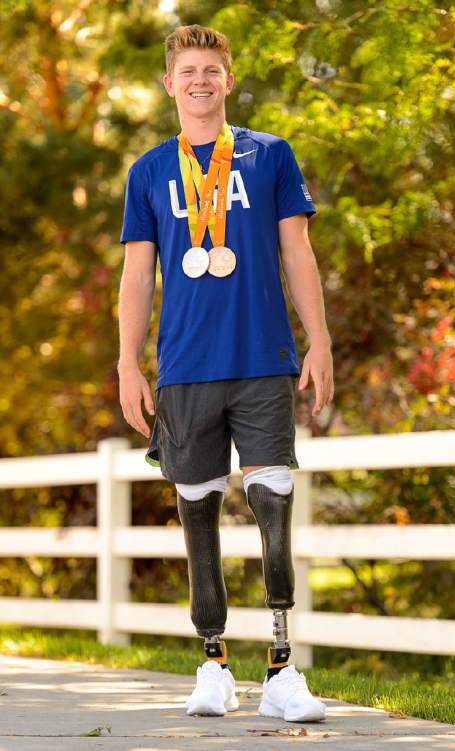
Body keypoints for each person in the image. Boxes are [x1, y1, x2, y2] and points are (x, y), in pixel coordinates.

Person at [117, 23, 334, 722]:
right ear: (169, 84)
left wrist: (319, 341)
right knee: (198, 510)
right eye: (189, 70)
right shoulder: (150, 171)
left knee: (273, 500)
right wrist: (126, 362)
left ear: (229, 80)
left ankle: (281, 668)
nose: (201, 80)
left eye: (213, 69)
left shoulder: (269, 156)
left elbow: (298, 253)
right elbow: (136, 274)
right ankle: (212, 662)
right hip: (183, 367)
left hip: (263, 358)